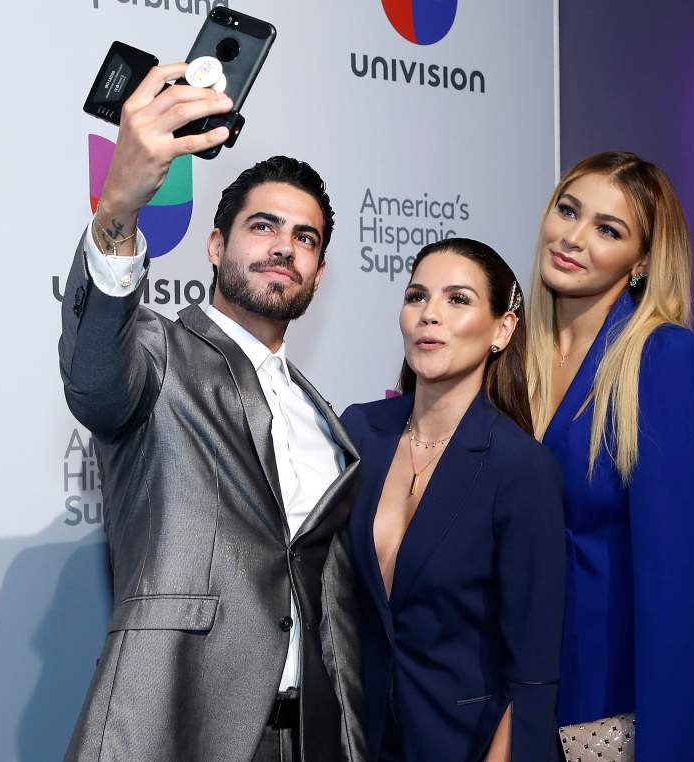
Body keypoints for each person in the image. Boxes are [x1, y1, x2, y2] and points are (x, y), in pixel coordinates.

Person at [58, 63, 364, 762]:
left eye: (306, 238)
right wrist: (118, 211)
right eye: (263, 226)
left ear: (319, 273)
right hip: (173, 727)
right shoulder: (156, 353)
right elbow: (94, 381)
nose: (285, 246)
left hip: (305, 738)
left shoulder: (324, 420)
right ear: (217, 246)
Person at [525, 151, 694, 760]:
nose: (573, 238)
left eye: (608, 229)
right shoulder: (511, 356)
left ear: (642, 261)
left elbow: (687, 581)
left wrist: (678, 739)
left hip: (608, 701)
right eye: (568, 211)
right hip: (508, 690)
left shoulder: (666, 359)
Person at [340, 239, 566, 761]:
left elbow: (533, 662)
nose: (430, 314)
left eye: (457, 299)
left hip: (464, 742)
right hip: (357, 735)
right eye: (417, 296)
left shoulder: (522, 468)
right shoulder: (360, 431)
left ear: (502, 330)